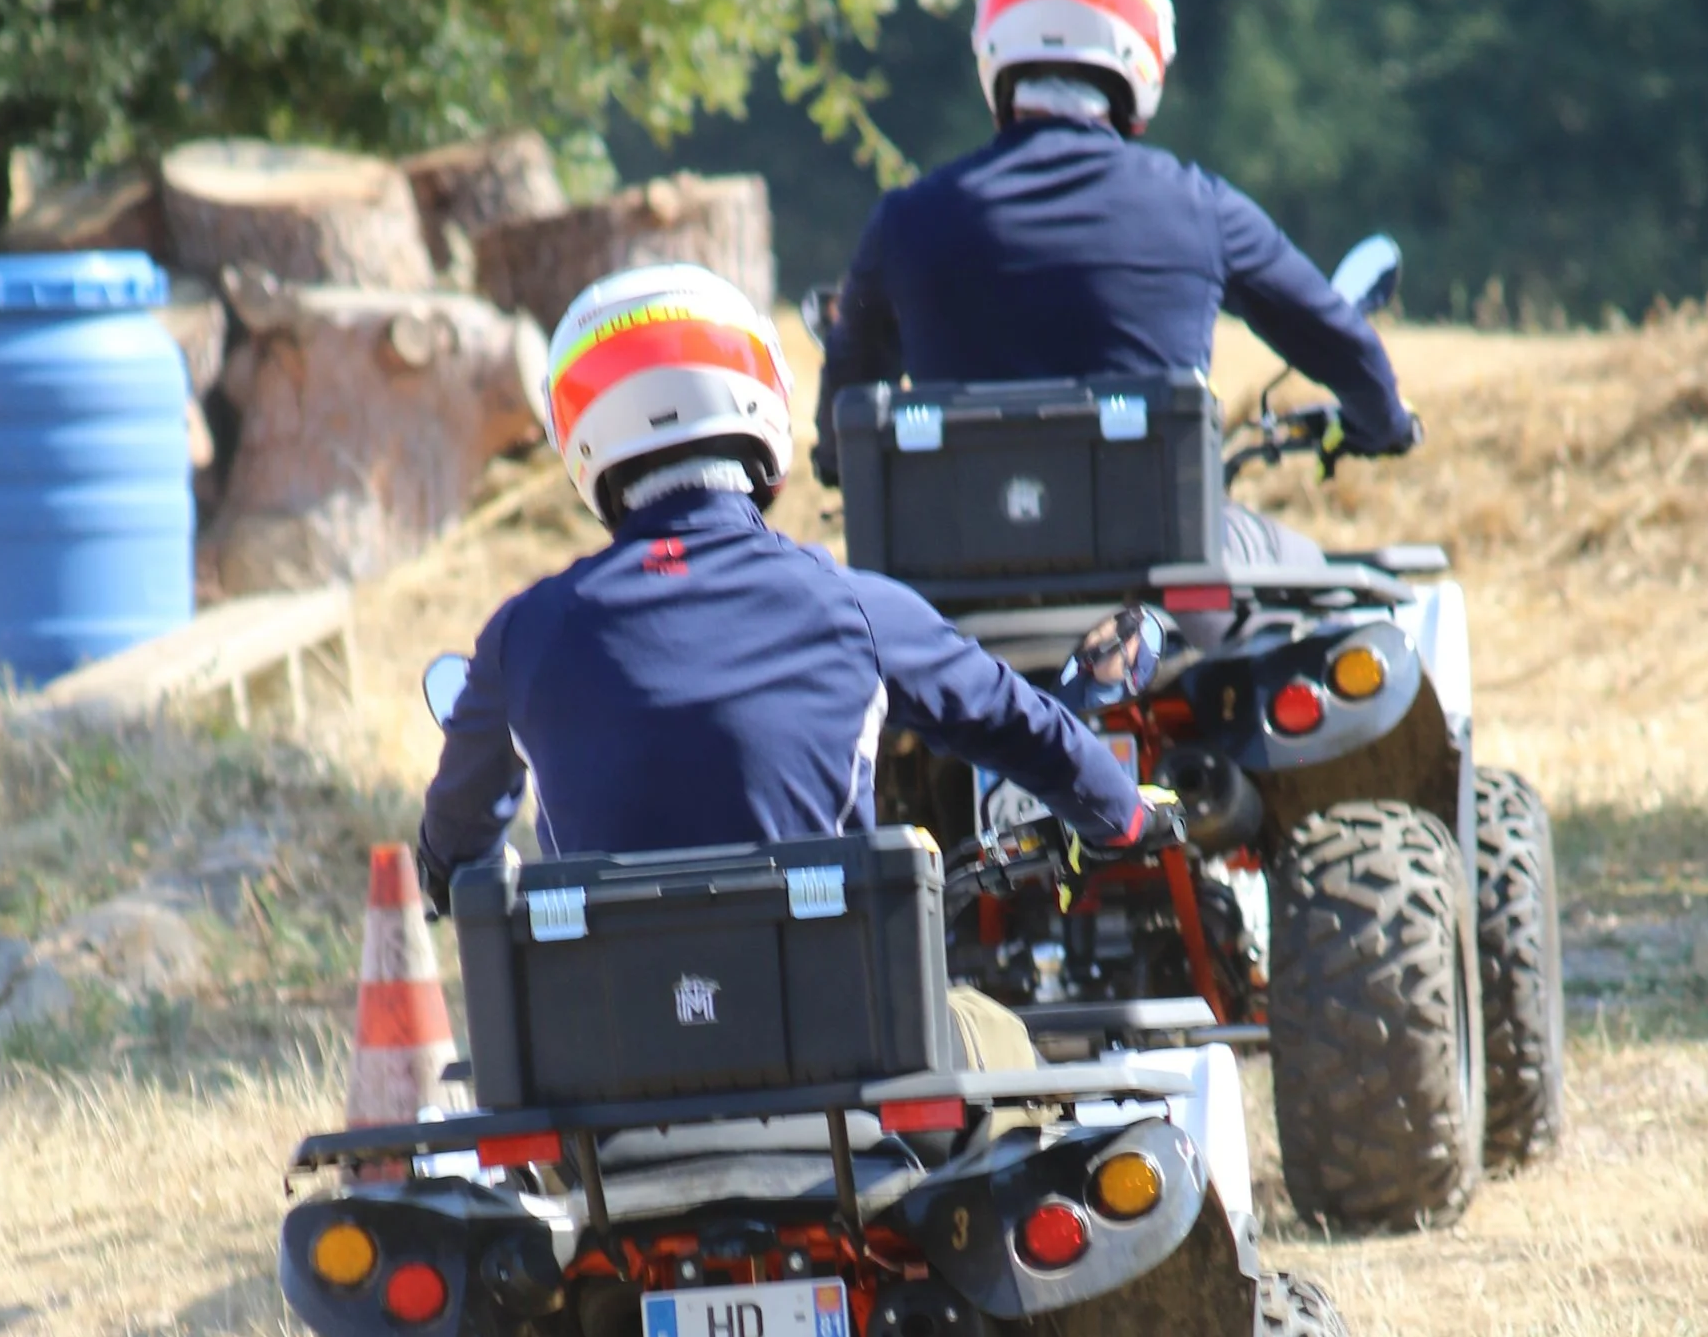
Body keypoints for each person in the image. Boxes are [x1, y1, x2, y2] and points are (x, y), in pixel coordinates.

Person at [418, 259, 1163, 915]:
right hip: (849, 1060)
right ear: (760, 398)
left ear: (579, 435)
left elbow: (452, 856)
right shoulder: (856, 610)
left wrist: (451, 869)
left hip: (603, 1066)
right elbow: (1023, 726)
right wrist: (1124, 817)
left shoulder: (522, 637)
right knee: (1005, 1046)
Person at [811, 0, 1419, 559]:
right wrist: (1384, 423)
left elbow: (847, 391)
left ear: (995, 56)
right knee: (1317, 574)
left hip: (955, 597)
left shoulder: (905, 220)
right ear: (1142, 60)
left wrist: (834, 460)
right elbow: (1341, 343)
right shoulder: (1199, 207)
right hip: (1164, 590)